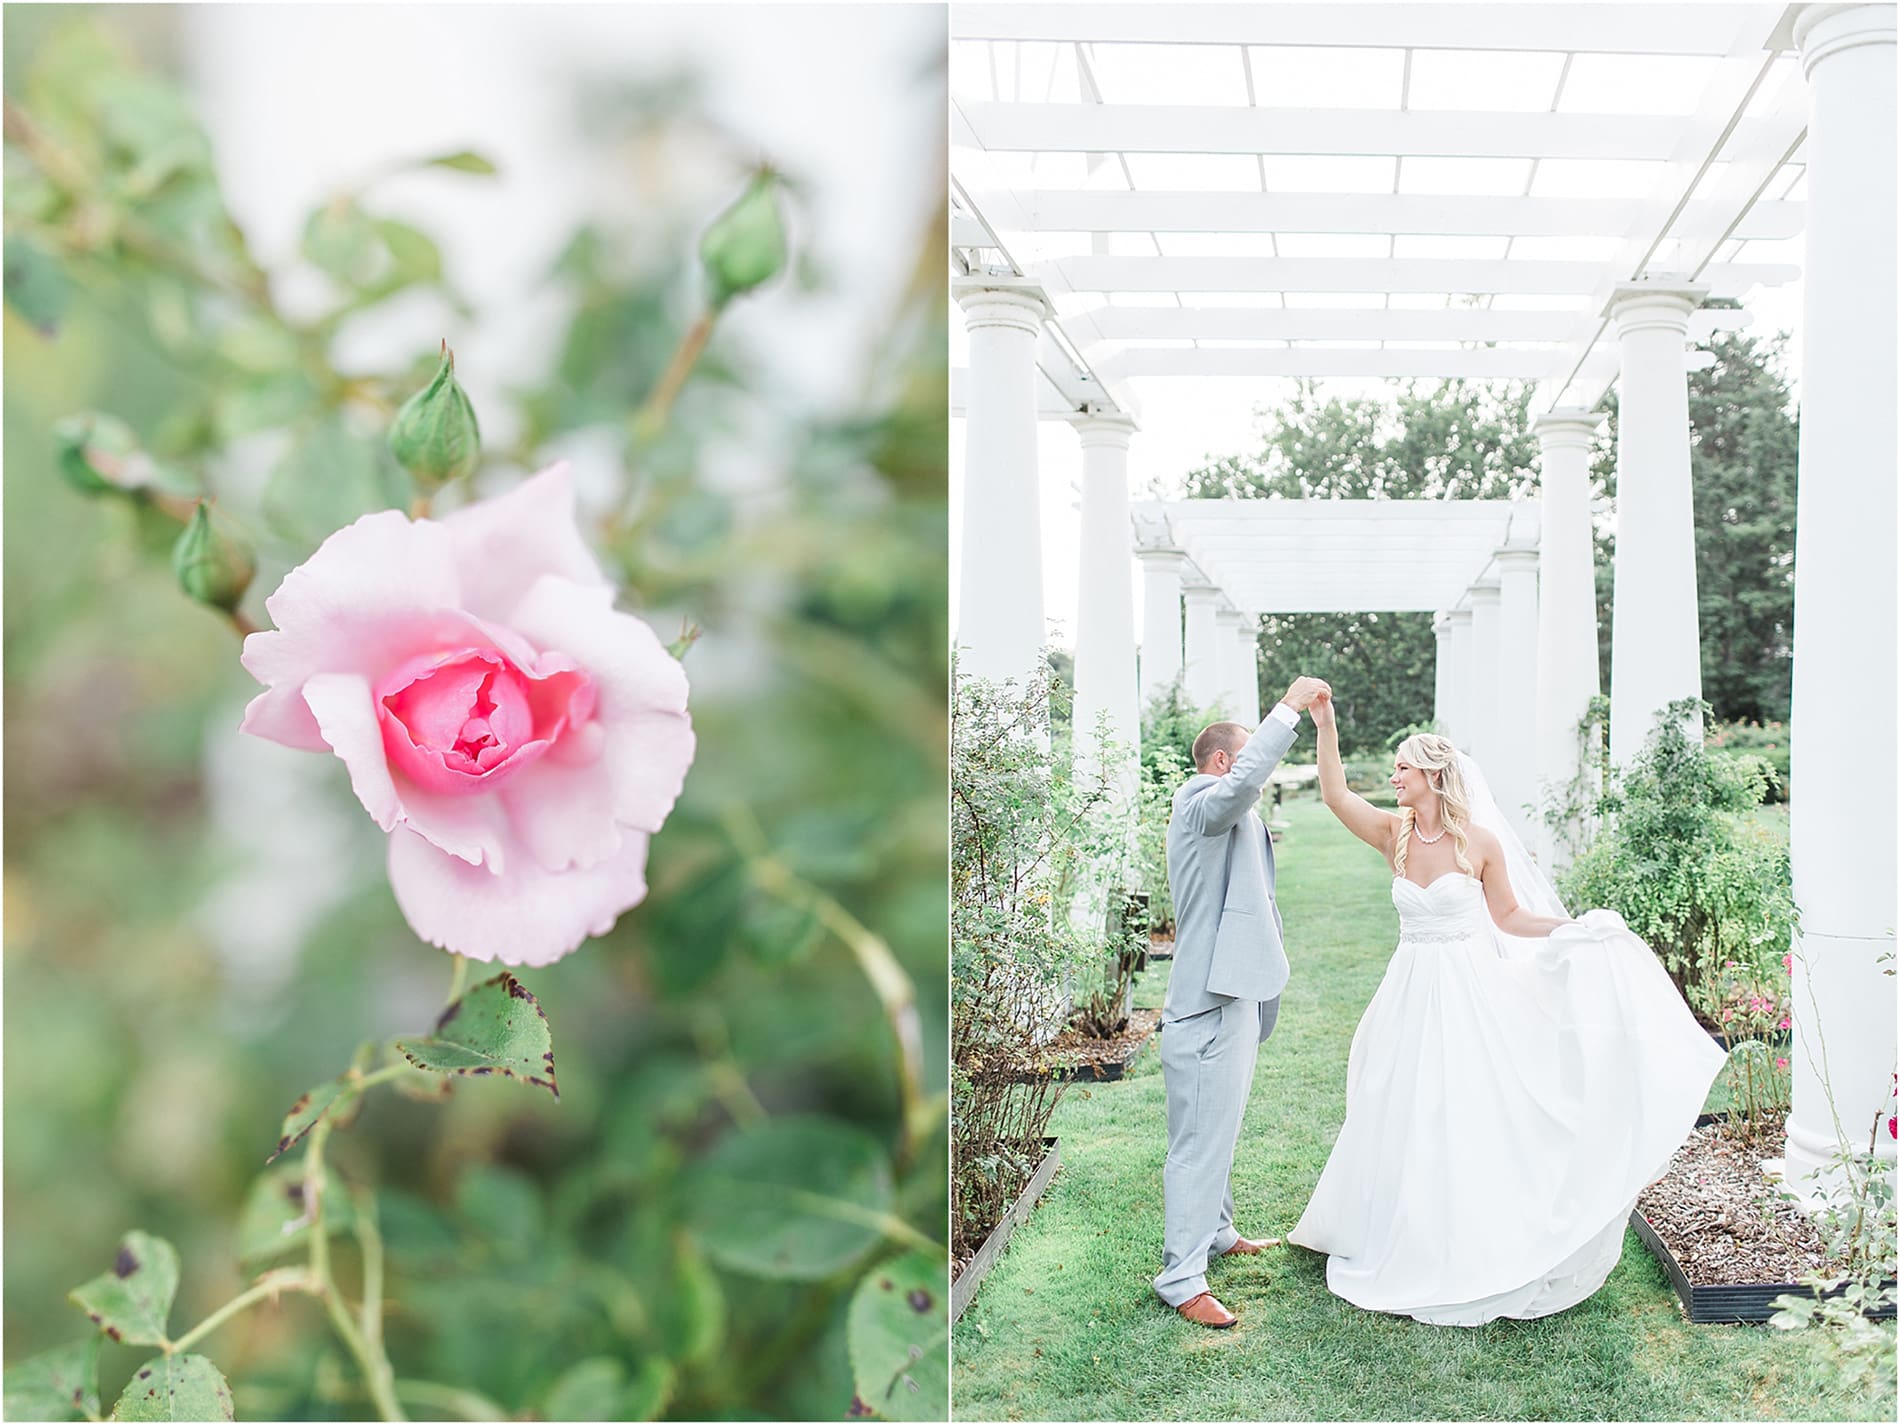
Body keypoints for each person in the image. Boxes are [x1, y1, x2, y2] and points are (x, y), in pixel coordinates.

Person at [1286, 689, 1727, 1325]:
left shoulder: (1480, 844)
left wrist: (1572, 931)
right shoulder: (1394, 834)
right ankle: (1398, 1226)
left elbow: (1511, 917)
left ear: (1432, 776)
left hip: (1470, 990)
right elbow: (1335, 795)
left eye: (1403, 768)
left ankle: (1480, 1227)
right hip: (1410, 986)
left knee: (1470, 1102)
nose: (1393, 778)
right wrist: (1325, 721)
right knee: (1399, 1098)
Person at [1155, 675, 1330, 1328]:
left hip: (1234, 994)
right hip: (1205, 1004)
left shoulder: (1224, 809)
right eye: (1251, 751)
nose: (1259, 763)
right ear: (1224, 761)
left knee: (1218, 1126)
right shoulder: (1199, 799)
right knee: (1198, 1141)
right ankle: (1180, 1276)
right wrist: (1288, 709)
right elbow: (1244, 787)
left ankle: (1218, 1230)